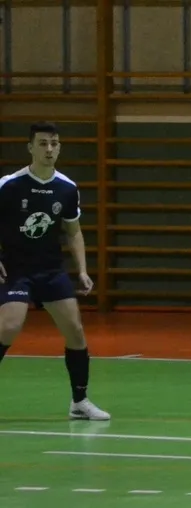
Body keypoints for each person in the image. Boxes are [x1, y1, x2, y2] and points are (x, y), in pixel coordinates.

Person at [0, 121, 109, 420]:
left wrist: (82, 270)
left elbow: (74, 232)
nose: (49, 149)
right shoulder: (9, 185)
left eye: (54, 143)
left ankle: (79, 402)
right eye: (43, 143)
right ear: (30, 147)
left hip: (50, 270)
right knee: (8, 326)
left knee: (75, 330)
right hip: (16, 270)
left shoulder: (67, 188)